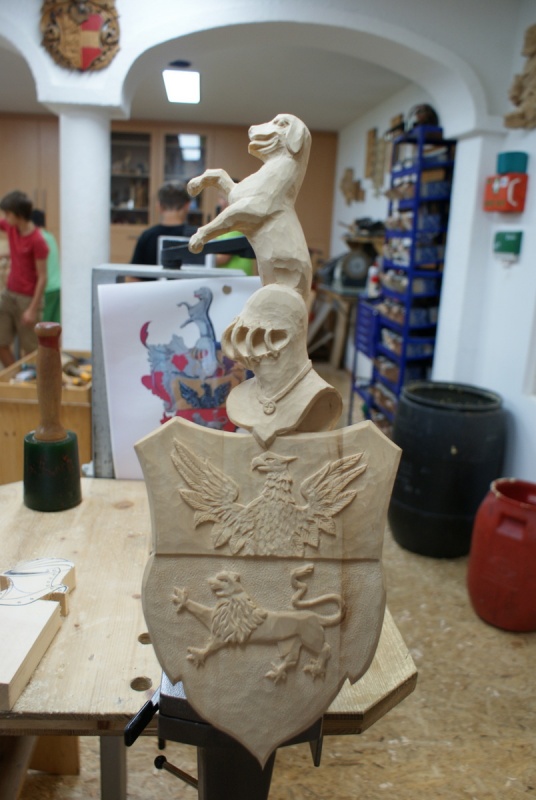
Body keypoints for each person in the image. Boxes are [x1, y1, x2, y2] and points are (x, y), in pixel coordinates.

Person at [0, 191, 48, 366]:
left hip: (28, 299)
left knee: (32, 351)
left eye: (7, 214)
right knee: (1, 343)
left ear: (18, 214)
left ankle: (28, 379)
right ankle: (16, 376)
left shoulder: (37, 240)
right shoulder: (11, 228)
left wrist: (32, 309)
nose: (5, 217)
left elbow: (43, 277)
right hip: (9, 294)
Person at [130, 180, 195, 266]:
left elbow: (134, 272)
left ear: (158, 206)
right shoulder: (197, 236)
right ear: (187, 205)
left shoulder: (147, 236)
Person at [31, 209, 61, 324]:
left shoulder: (38, 238)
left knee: (42, 327)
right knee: (54, 327)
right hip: (58, 286)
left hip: (47, 288)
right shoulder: (49, 236)